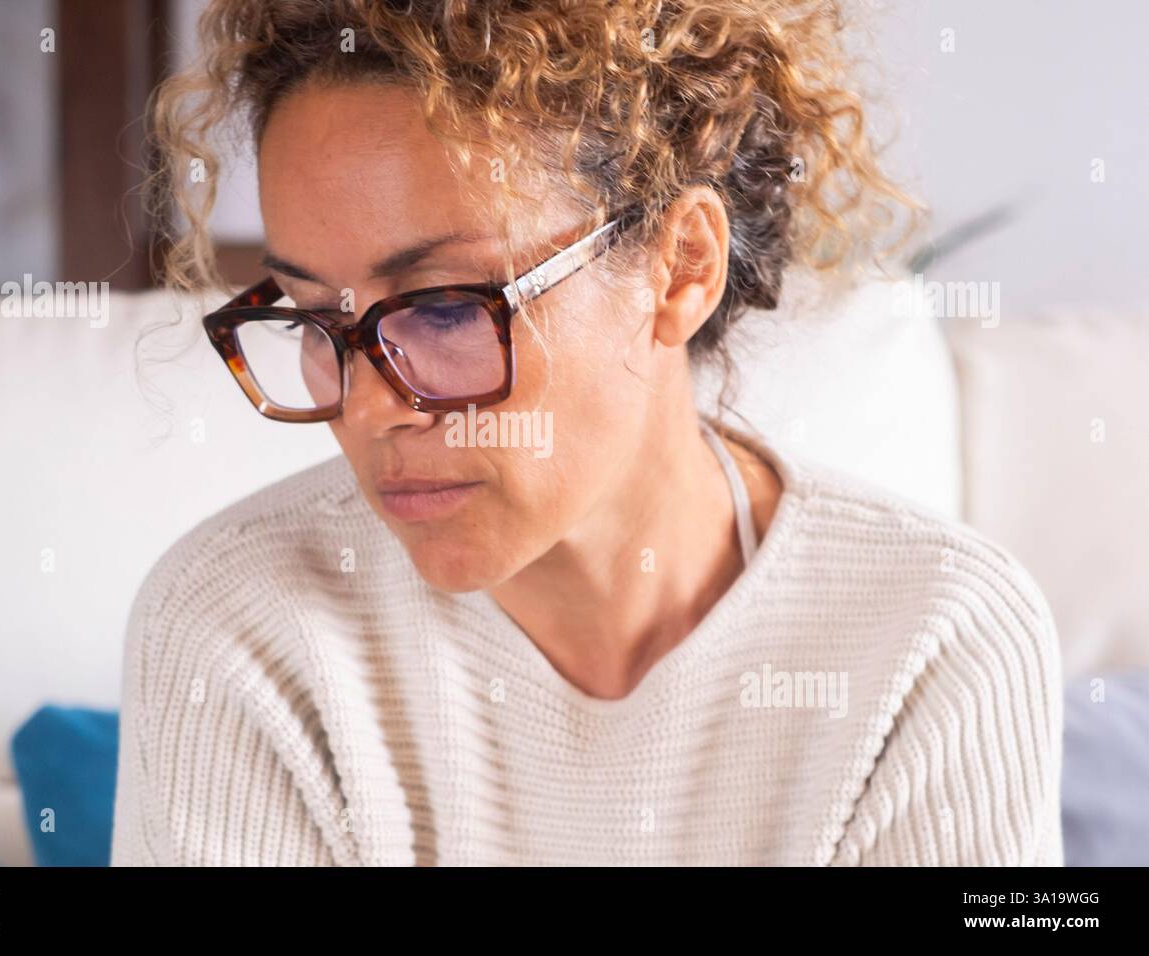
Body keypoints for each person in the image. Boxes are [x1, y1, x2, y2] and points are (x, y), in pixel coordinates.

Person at [111, 0, 1063, 866]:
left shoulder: (936, 640)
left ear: (681, 267)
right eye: (318, 319)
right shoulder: (241, 627)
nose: (368, 412)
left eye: (444, 312)